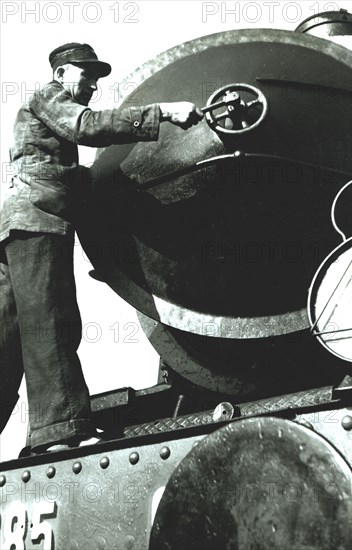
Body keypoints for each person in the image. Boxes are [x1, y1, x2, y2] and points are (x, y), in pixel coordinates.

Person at [0, 43, 203, 454]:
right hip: (38, 224)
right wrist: (163, 113)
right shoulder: (49, 97)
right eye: (85, 74)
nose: (93, 84)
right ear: (60, 74)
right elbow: (87, 127)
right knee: (50, 323)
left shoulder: (41, 122)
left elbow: (63, 175)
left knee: (7, 335)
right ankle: (58, 431)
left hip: (15, 226)